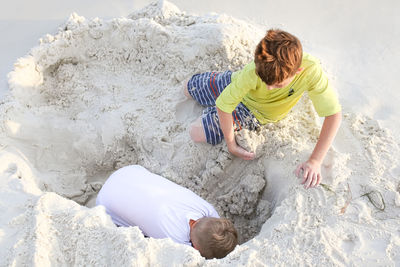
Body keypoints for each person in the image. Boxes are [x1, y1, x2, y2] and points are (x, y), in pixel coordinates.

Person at [184, 29, 342, 189]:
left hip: (252, 113)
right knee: (188, 88)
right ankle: (212, 83)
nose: (269, 88)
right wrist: (231, 145)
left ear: (298, 71)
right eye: (265, 80)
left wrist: (315, 160)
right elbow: (223, 106)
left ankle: (209, 114)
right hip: (234, 81)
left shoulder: (312, 70)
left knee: (196, 132)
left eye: (278, 84)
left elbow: (333, 115)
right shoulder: (253, 72)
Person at [96, 165, 238, 259]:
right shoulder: (177, 241)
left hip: (128, 172)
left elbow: (215, 224)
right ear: (195, 248)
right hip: (105, 203)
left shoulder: (205, 209)